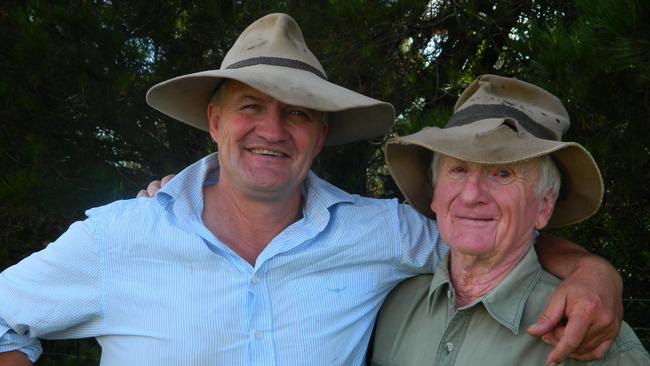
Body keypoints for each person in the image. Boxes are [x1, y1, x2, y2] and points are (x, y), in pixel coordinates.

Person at [0, 13, 622, 366]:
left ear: (319, 134)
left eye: (297, 113)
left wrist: (594, 274)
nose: (272, 130)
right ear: (214, 122)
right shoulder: (119, 237)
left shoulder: (381, 233)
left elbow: (491, 239)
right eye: (250, 107)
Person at [371, 74, 650, 365]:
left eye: (503, 173)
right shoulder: (394, 306)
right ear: (434, 194)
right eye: (458, 170)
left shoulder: (591, 336)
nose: (471, 195)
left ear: (544, 206)